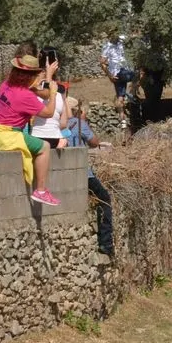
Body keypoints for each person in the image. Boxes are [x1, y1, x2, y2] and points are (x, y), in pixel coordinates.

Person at [0, 55, 60, 205]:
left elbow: (41, 93)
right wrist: (53, 93)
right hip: (7, 134)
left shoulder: (6, 84)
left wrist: (47, 79)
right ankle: (41, 191)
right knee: (44, 147)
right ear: (31, 75)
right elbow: (49, 113)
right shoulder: (25, 96)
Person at [66, 100, 114, 256]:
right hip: (82, 173)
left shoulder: (55, 125)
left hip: (63, 173)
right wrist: (84, 124)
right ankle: (106, 243)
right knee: (104, 199)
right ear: (79, 112)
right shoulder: (79, 123)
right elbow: (95, 143)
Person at [99, 31, 134, 128]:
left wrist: (110, 76)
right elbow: (102, 63)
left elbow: (133, 36)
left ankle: (123, 121)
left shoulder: (120, 40)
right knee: (138, 74)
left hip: (117, 75)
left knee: (120, 97)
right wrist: (109, 75)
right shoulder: (108, 46)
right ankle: (133, 94)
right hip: (121, 72)